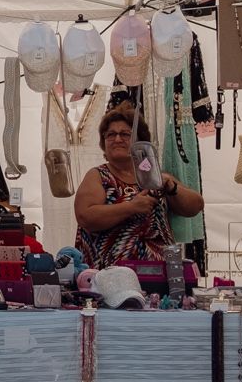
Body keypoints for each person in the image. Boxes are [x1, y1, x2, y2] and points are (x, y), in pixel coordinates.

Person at [74, 105, 204, 269]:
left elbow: (195, 206)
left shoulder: (155, 176)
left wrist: (170, 186)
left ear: (140, 141)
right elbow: (85, 216)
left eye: (125, 134)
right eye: (111, 135)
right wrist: (131, 207)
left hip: (159, 274)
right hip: (110, 276)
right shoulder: (98, 176)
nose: (117, 139)